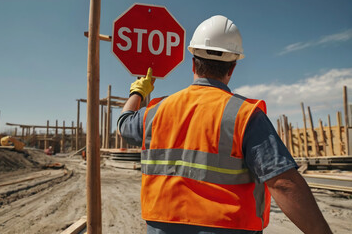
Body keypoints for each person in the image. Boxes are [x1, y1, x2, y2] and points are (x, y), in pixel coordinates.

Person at [117, 15, 332, 234]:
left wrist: (138, 91)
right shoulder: (245, 115)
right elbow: (282, 183)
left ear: (193, 63)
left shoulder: (156, 111)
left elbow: (124, 123)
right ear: (232, 68)